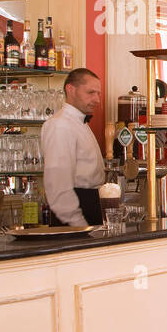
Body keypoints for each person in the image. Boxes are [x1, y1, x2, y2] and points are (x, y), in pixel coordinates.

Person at [40, 68, 105, 226]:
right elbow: (58, 185)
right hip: (75, 214)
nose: (97, 99)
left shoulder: (79, 122)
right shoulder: (60, 125)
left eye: (98, 94)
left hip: (91, 206)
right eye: (91, 92)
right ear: (71, 89)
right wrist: (77, 223)